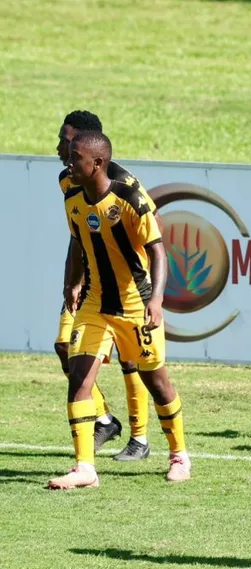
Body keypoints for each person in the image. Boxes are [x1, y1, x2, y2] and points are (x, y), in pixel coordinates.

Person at [48, 132, 190, 489]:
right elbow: (78, 241)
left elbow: (158, 251)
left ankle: (179, 455)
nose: (69, 161)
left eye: (75, 156)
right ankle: (85, 468)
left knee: (156, 383)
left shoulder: (130, 199)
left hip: (135, 306)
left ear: (97, 163)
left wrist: (156, 300)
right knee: (80, 379)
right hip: (95, 304)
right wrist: (72, 282)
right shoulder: (71, 195)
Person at [55, 110, 152, 461]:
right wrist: (73, 280)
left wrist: (150, 295)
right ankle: (105, 419)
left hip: (127, 287)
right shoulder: (68, 180)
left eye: (65, 142)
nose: (58, 148)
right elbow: (78, 232)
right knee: (65, 346)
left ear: (86, 146)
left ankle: (140, 438)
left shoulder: (124, 186)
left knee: (133, 361)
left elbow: (149, 239)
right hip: (90, 283)